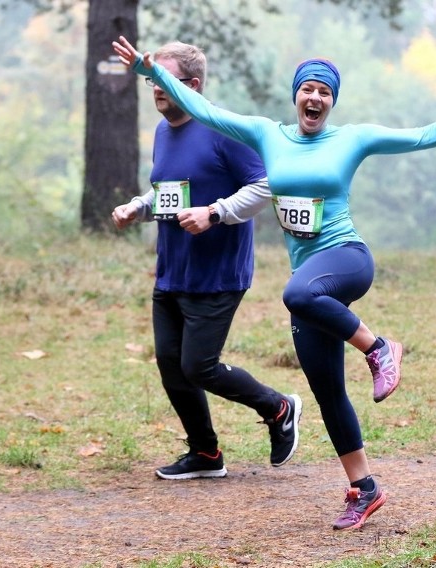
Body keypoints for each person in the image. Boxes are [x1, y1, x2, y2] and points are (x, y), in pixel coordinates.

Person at [112, 35, 436, 530]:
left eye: (325, 93)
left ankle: (379, 347)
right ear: (296, 96)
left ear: (332, 102)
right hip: (308, 276)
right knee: (327, 387)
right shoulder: (267, 135)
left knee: (296, 295)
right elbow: (199, 107)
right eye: (307, 89)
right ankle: (364, 487)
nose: (315, 98)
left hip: (347, 259)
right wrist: (151, 72)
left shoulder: (351, 139)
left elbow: (420, 136)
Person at [111, 40, 302, 482]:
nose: (154, 88)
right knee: (171, 364)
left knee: (200, 366)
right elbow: (169, 190)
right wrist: (137, 207)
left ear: (193, 85)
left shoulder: (226, 130)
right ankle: (205, 453)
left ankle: (278, 407)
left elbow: (265, 186)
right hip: (172, 271)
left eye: (163, 80)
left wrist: (214, 213)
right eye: (150, 79)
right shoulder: (163, 132)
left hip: (217, 274)